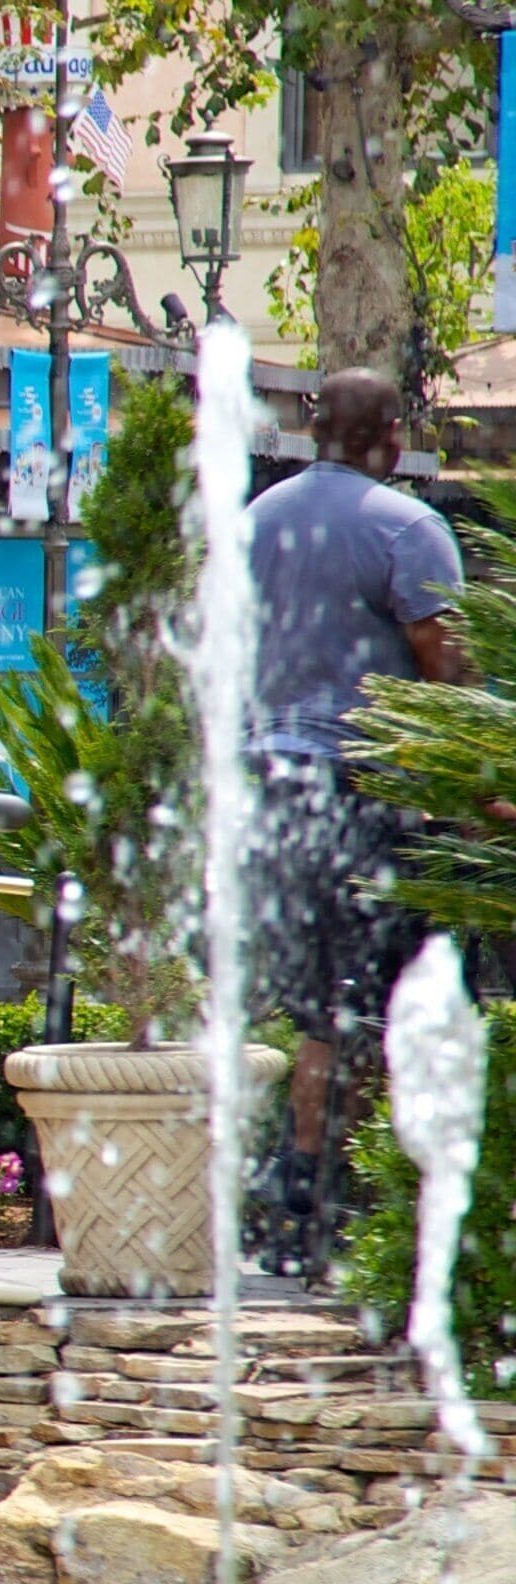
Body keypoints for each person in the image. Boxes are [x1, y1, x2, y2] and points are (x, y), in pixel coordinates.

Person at [244, 366, 472, 1254]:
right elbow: (449, 675)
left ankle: (298, 1192)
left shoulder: (252, 524)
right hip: (361, 796)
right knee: (382, 1000)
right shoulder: (409, 530)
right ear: (389, 437)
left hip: (263, 792)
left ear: (311, 428)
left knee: (312, 1008)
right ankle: (364, 1199)